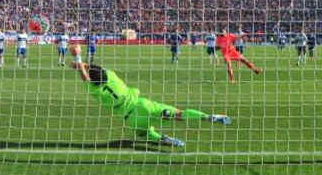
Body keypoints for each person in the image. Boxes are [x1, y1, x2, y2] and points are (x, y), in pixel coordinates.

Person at [69, 45, 231, 147]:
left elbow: (87, 77)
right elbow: (93, 71)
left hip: (130, 118)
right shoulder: (111, 76)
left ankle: (164, 139)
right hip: (143, 105)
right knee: (178, 114)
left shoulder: (96, 91)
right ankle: (207, 117)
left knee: (143, 133)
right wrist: (79, 60)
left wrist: (77, 64)